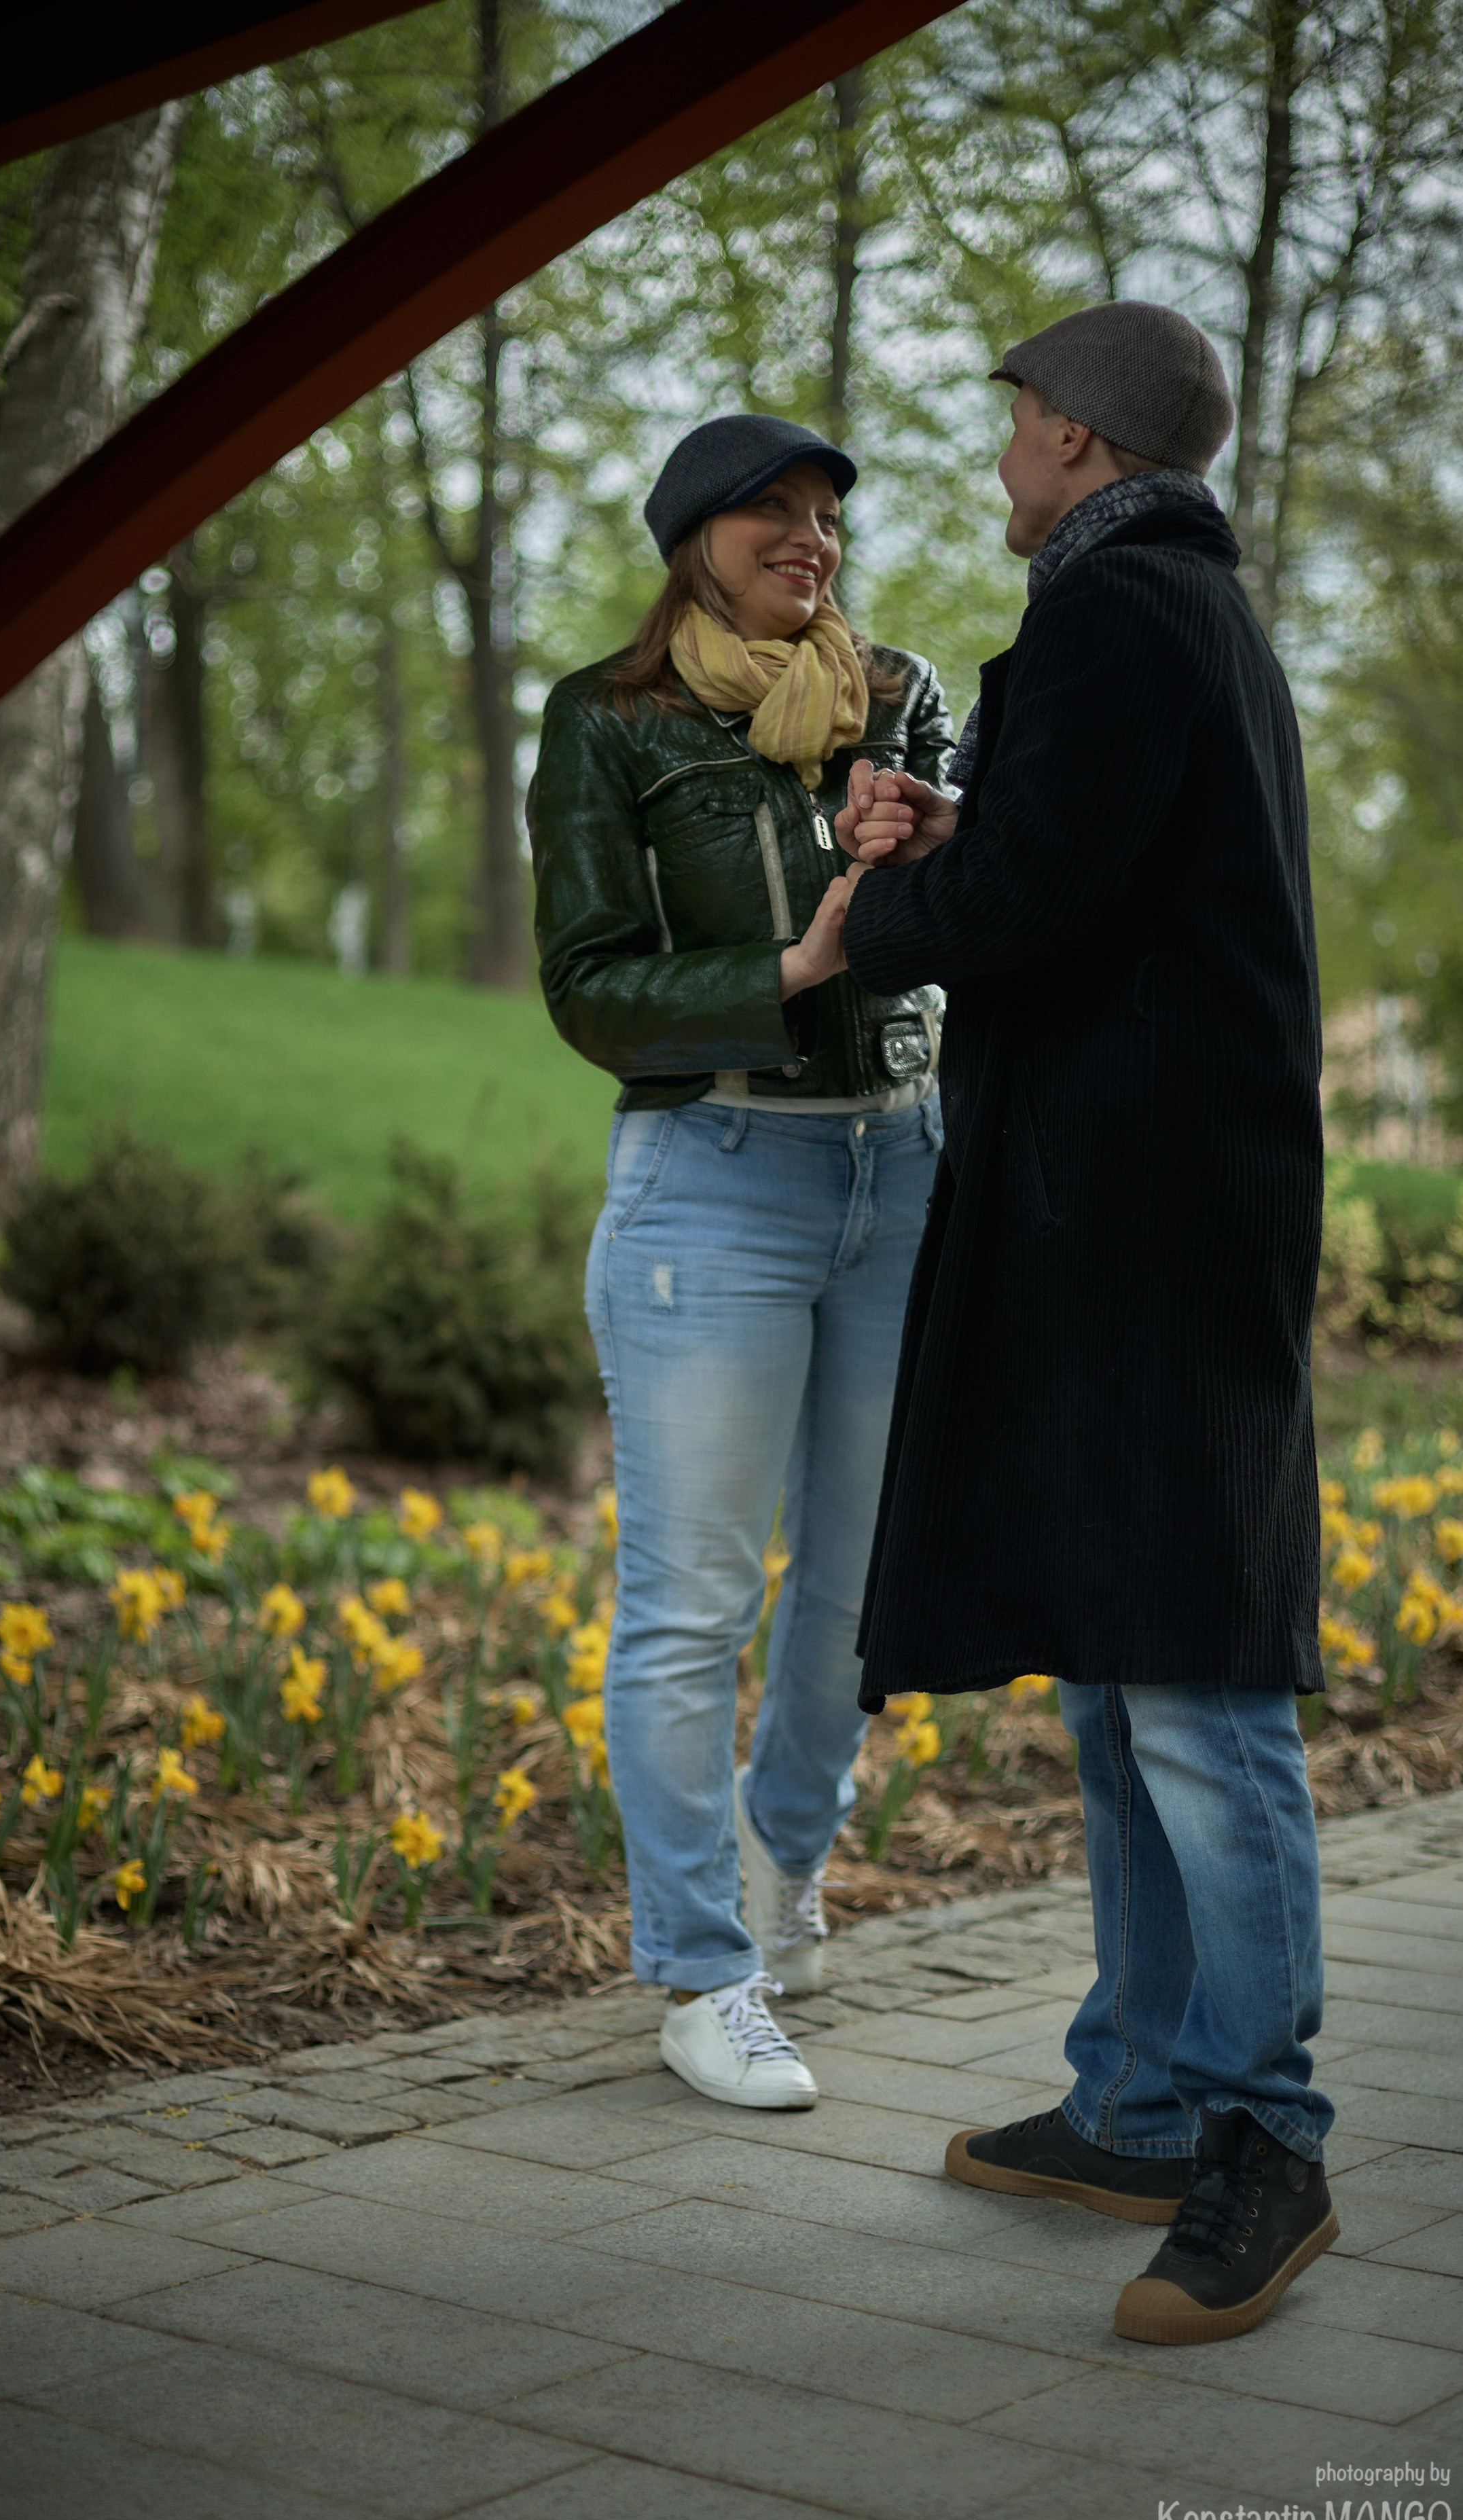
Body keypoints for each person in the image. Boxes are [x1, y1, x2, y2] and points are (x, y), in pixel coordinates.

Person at [827, 302, 1334, 2344]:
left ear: (1076, 439)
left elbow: (1040, 907)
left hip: (1152, 1232)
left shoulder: (1128, 617)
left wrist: (874, 916)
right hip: (1135, 1217)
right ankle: (1137, 2099)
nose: (1004, 454)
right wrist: (978, 845)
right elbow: (1088, 871)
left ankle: (1268, 2140)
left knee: (1201, 1688)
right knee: (1129, 1675)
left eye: (1017, 423)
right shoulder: (1165, 616)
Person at [530, 414, 954, 2110]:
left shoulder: (900, 692)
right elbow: (585, 982)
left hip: (902, 1172)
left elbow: (990, 891)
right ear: (692, 536)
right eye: (770, 511)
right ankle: (698, 1975)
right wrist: (790, 962)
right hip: (711, 1173)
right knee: (693, 1603)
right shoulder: (610, 721)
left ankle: (784, 1880)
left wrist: (930, 844)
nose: (809, 538)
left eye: (825, 515)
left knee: (857, 1596)